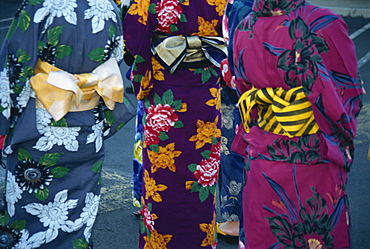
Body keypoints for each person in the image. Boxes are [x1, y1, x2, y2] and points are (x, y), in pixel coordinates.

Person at [229, 0, 363, 248]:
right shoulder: (321, 23)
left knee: (263, 235)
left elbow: (242, 86)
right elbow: (345, 93)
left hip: (260, 155)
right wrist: (343, 140)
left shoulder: (245, 25)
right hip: (312, 156)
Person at [0, 0, 135, 248]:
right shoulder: (107, 6)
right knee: (79, 210)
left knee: (31, 211)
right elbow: (115, 59)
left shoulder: (39, 5)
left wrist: (4, 124)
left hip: (40, 127)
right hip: (87, 129)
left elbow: (16, 66)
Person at [123, 0, 227, 248]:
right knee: (200, 174)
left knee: (164, 173)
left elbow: (134, 37)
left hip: (165, 94)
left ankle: (160, 242)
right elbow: (235, 32)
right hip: (206, 94)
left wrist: (140, 69)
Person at [217, 0, 254, 242]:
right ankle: (242, 216)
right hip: (259, 85)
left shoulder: (239, 6)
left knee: (233, 149)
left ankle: (234, 218)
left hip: (237, 84)